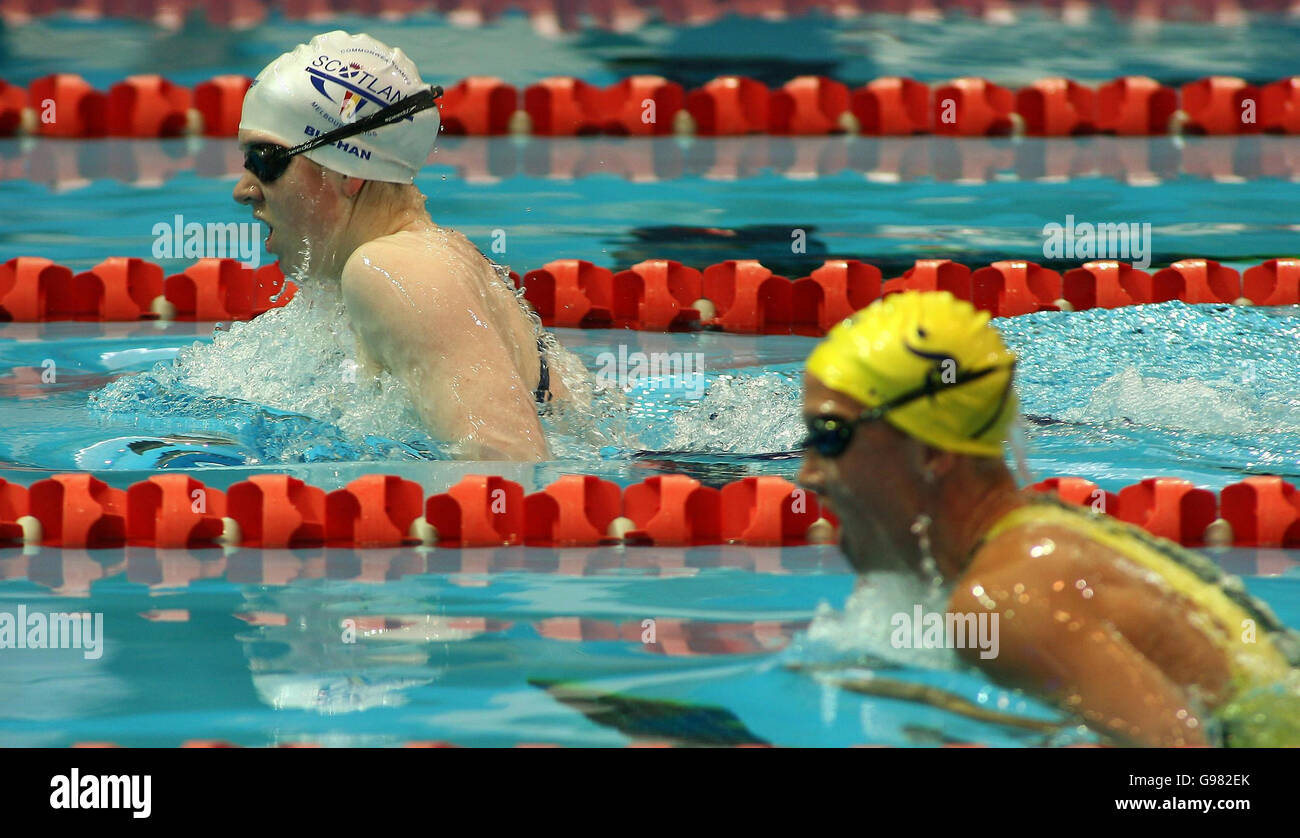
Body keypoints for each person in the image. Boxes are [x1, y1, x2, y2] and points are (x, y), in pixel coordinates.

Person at [796, 289, 1300, 747]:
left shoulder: (1008, 594)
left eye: (830, 436)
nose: (807, 475)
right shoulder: (1034, 540)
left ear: (929, 452)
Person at [232, 31, 562, 460]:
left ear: (347, 170)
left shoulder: (393, 269)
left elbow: (505, 464)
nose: (244, 190)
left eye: (266, 160)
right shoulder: (437, 256)